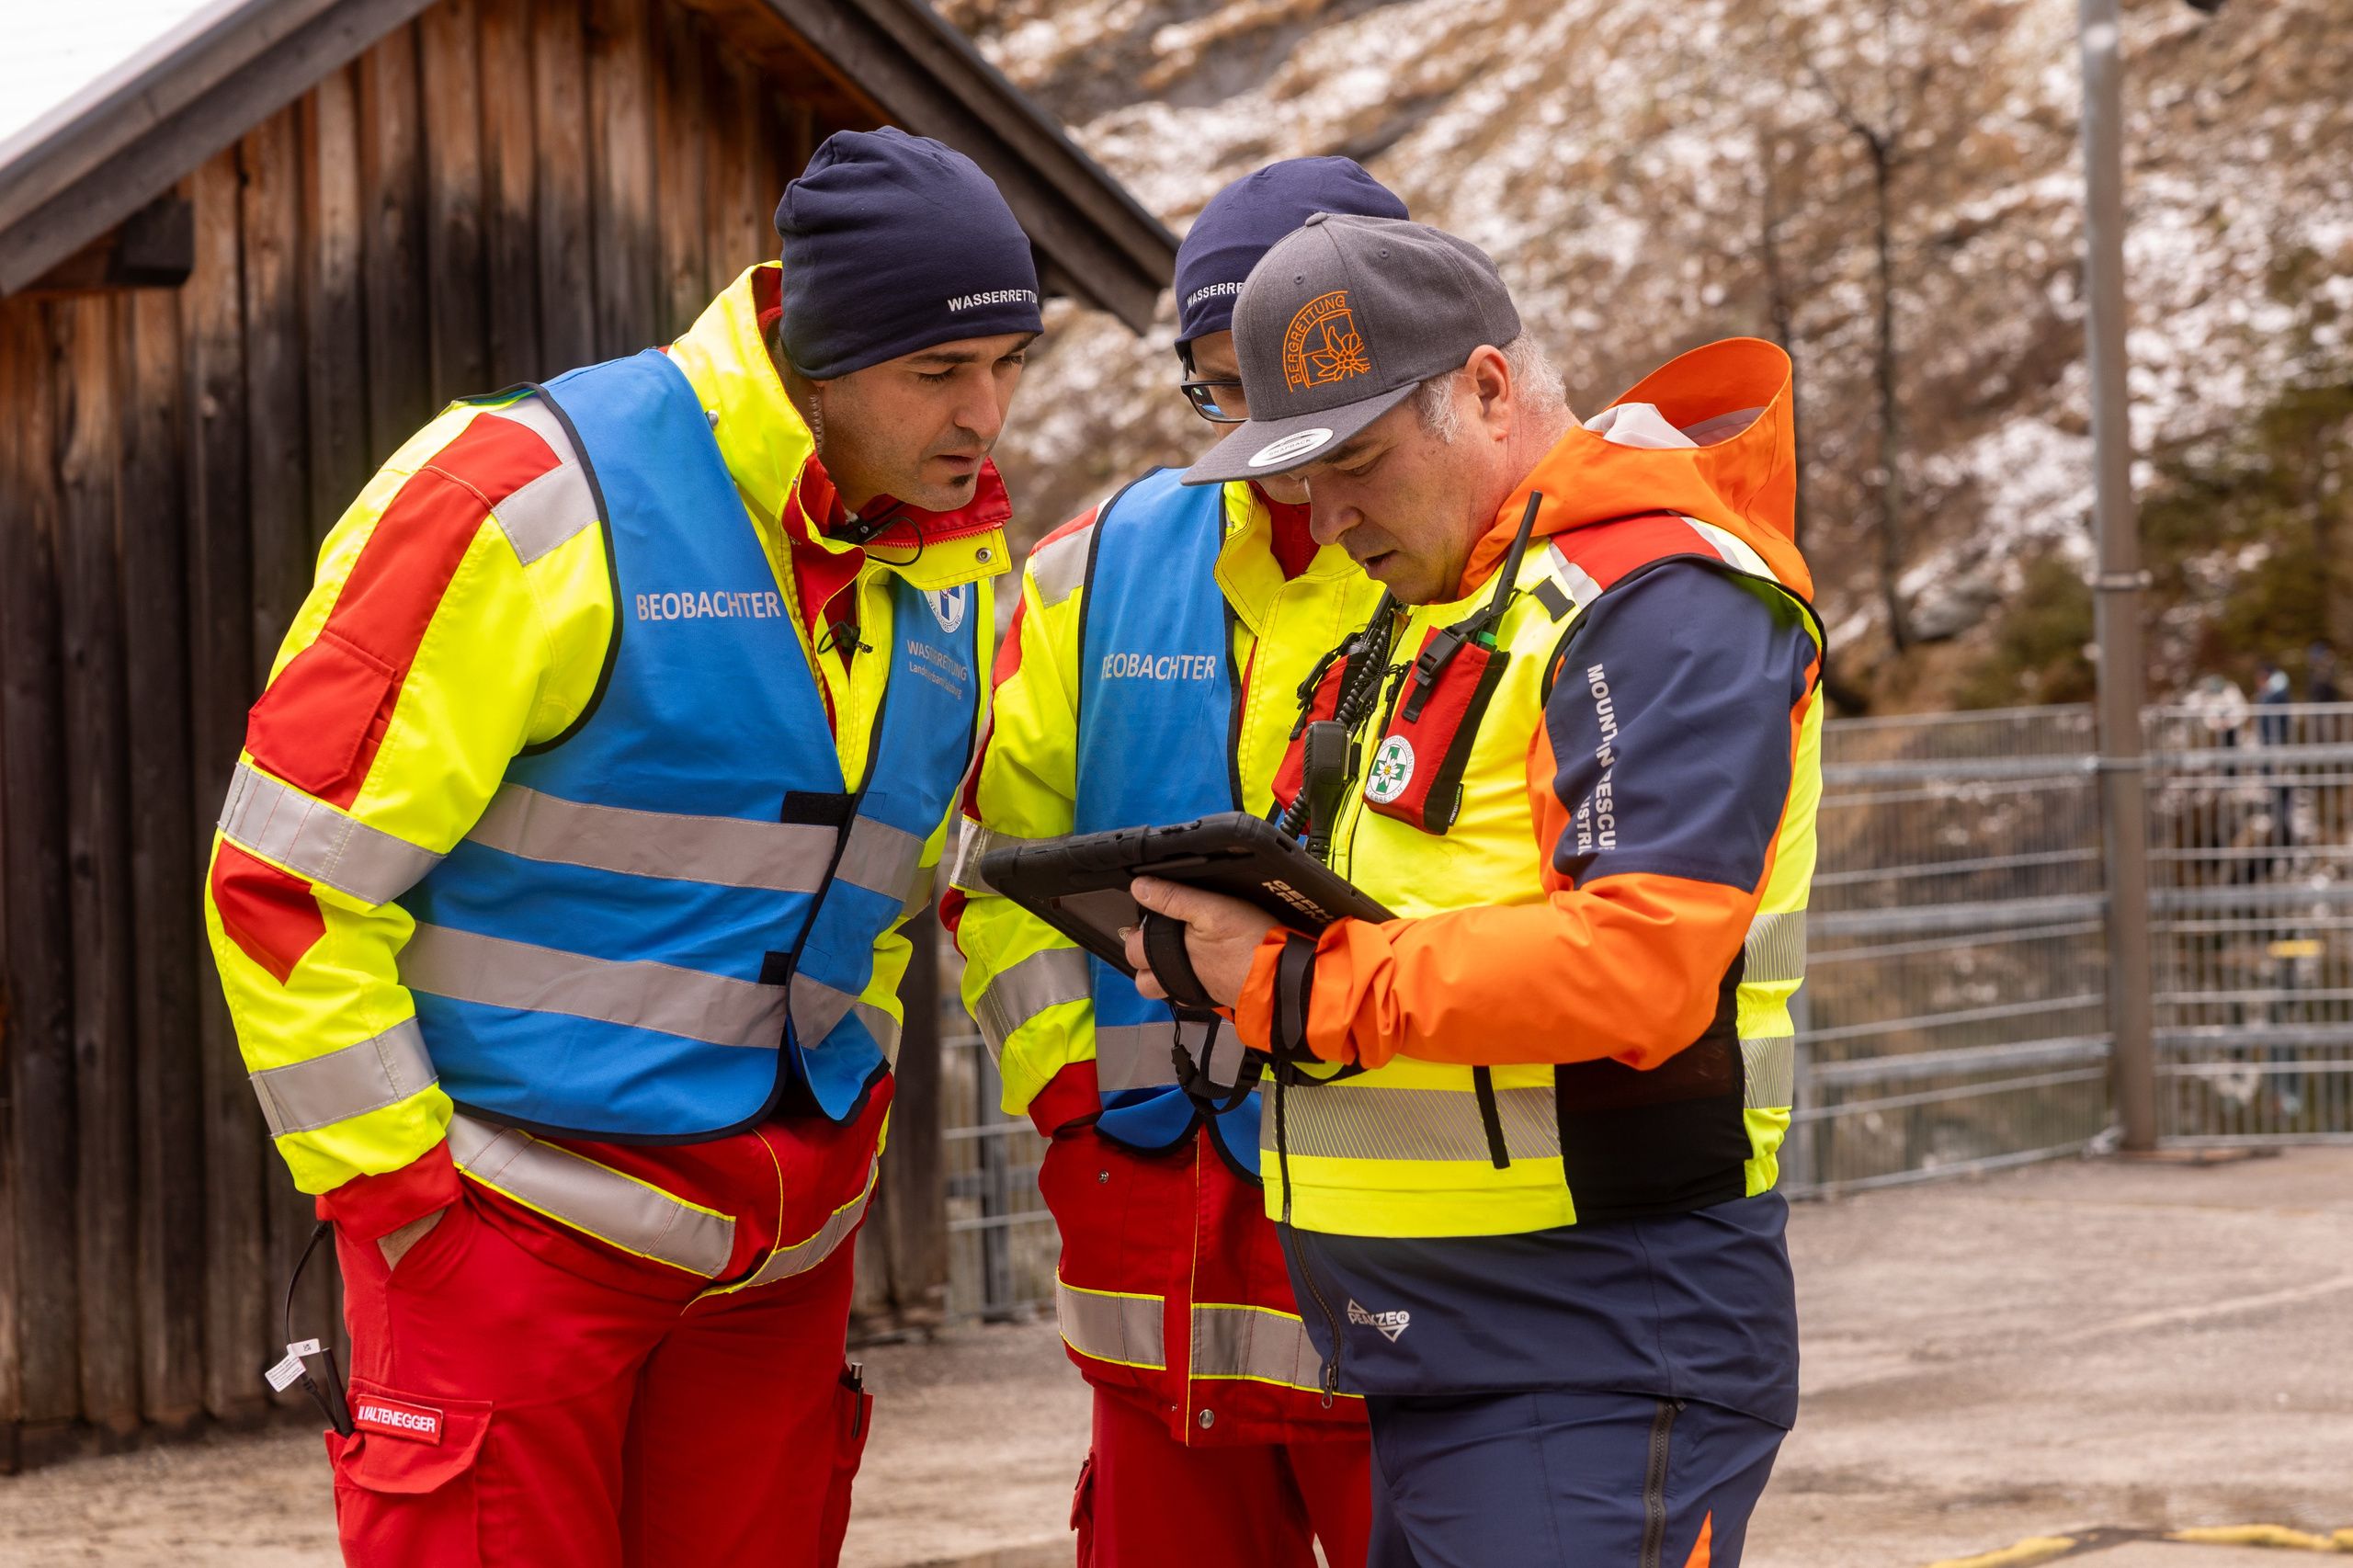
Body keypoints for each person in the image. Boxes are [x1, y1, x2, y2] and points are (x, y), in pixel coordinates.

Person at [202, 127, 1032, 1566]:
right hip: (509, 1245)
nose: (989, 418)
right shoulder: (527, 497)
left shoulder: (949, 565)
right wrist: (409, 1210)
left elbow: (875, 914)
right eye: (939, 373)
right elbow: (285, 880)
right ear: (816, 359)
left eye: (1012, 364)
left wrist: (841, 1161)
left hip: (780, 1264)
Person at [1122, 215, 1823, 1567]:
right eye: (1302, 478)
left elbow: (1638, 969)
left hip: (1599, 1344)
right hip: (1463, 1355)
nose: (1326, 521)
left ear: (1491, 391)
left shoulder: (1655, 599)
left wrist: (1293, 983)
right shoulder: (1455, 602)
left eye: (1358, 463)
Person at [948, 159, 1399, 1568]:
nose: (1254, 437)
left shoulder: (1470, 567)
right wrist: (1073, 1105)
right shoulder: (1089, 571)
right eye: (1216, 390)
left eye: (1283, 390)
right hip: (1155, 1272)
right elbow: (989, 869)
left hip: (1410, 1286)